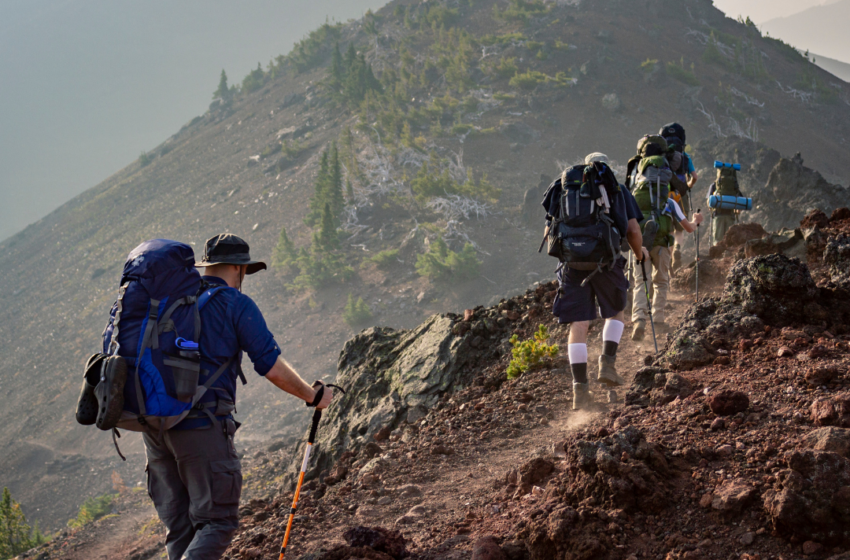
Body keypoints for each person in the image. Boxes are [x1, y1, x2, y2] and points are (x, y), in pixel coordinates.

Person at [144, 233, 334, 560]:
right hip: (200, 426)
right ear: (238, 268)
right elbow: (271, 367)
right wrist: (312, 395)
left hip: (154, 427)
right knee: (218, 522)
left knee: (181, 529)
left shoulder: (169, 301)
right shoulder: (235, 304)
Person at [543, 153, 649, 410]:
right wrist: (639, 254)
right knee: (615, 313)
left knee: (578, 325)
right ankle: (607, 364)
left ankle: (580, 391)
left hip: (572, 266)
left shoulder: (563, 189)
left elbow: (549, 232)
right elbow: (633, 231)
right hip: (606, 262)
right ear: (606, 168)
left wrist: (571, 254)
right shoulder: (617, 189)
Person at [631, 195, 703, 341]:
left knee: (640, 281)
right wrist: (696, 221)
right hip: (661, 246)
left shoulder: (635, 197)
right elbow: (688, 228)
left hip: (640, 245)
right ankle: (658, 320)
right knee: (661, 281)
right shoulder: (669, 202)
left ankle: (639, 320)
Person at [659, 123, 698, 272]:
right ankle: (678, 248)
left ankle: (668, 256)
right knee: (679, 229)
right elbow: (695, 177)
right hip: (680, 196)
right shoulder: (685, 156)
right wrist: (688, 186)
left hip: (664, 195)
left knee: (668, 230)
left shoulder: (661, 157)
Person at [707, 165, 743, 246]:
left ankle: (717, 257)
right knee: (730, 241)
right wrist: (737, 212)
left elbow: (709, 202)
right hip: (730, 215)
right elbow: (740, 202)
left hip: (718, 215)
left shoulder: (715, 185)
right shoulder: (734, 186)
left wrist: (711, 209)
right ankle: (727, 257)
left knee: (718, 241)